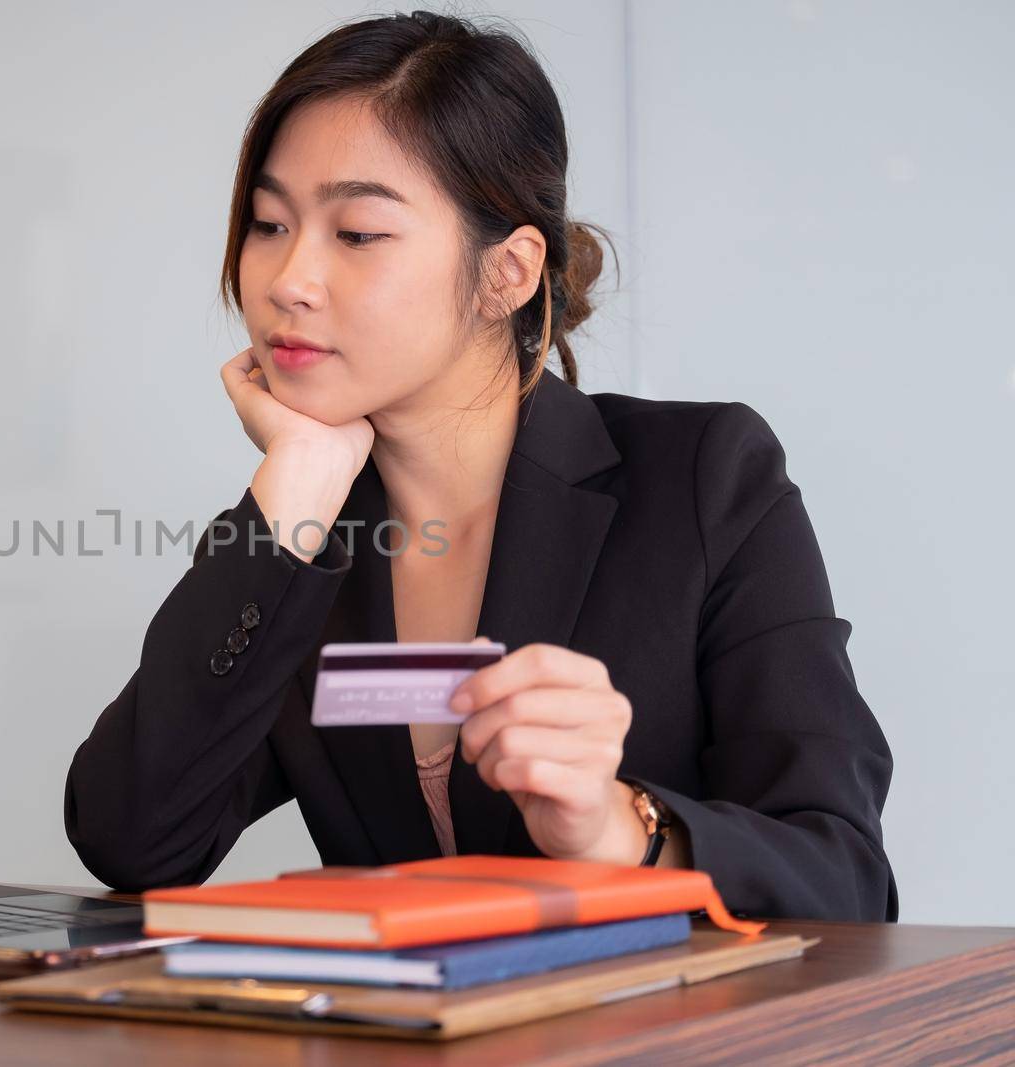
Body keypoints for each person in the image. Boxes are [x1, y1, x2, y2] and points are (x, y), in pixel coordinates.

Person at [64, 11, 896, 921]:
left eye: (357, 234)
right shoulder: (302, 548)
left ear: (508, 273)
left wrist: (623, 829)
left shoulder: (706, 478)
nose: (286, 279)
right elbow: (132, 839)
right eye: (269, 222)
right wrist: (293, 487)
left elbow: (845, 877)